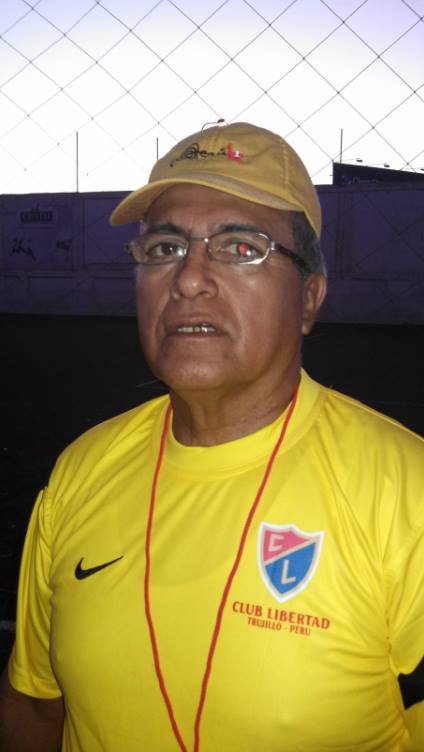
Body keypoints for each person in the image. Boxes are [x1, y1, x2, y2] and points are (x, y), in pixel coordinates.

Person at [0, 122, 423, 752]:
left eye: (240, 247)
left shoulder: (405, 493)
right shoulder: (80, 472)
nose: (189, 279)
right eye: (164, 248)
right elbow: (35, 704)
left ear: (309, 298)